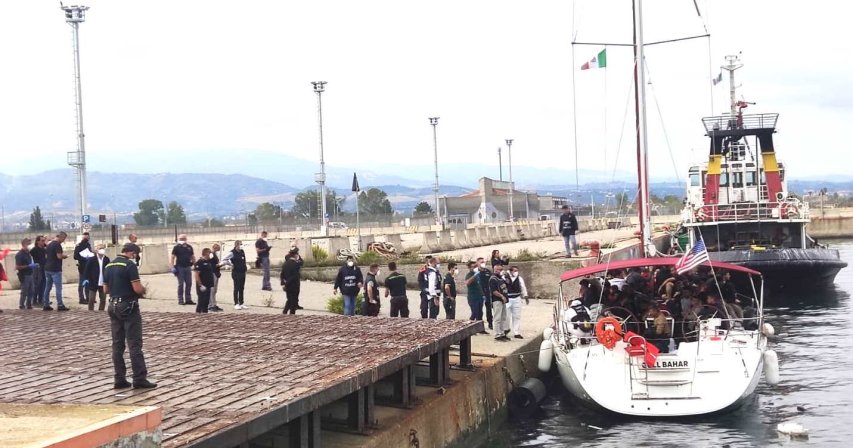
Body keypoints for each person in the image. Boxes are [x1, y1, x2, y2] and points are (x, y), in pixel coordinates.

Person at [103, 243, 156, 389]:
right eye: (135, 255)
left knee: (117, 344)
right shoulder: (129, 266)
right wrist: (143, 290)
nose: (135, 257)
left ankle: (119, 378)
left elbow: (105, 289)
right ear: (131, 253)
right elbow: (137, 288)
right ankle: (139, 378)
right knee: (134, 344)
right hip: (128, 306)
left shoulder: (108, 266)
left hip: (113, 306)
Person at [42, 231, 70, 311]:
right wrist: (65, 256)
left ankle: (46, 304)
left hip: (47, 268)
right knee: (58, 288)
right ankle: (60, 304)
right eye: (63, 238)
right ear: (60, 237)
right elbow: (59, 256)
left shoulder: (50, 244)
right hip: (55, 269)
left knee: (47, 287)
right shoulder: (57, 245)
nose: (63, 240)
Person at [170, 234, 196, 306]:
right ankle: (180, 300)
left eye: (183, 239)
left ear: (186, 239)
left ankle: (188, 299)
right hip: (179, 267)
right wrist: (172, 267)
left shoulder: (189, 247)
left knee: (189, 283)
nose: (182, 240)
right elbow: (172, 257)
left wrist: (195, 265)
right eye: (181, 239)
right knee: (181, 284)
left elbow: (192, 257)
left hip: (187, 267)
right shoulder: (176, 247)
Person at [83, 244, 110, 311]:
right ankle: (91, 312)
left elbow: (109, 270)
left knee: (103, 299)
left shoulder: (106, 259)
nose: (101, 250)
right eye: (100, 248)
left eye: (102, 248)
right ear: (96, 250)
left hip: (103, 283)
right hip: (93, 282)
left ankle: (101, 312)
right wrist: (86, 279)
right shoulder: (92, 259)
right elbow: (87, 270)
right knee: (91, 299)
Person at [505, 266, 529, 339]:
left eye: (517, 271)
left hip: (517, 298)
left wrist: (526, 297)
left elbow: (523, 287)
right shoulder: (504, 277)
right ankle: (506, 329)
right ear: (511, 271)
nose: (516, 272)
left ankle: (516, 332)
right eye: (514, 270)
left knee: (517, 316)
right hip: (508, 299)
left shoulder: (519, 278)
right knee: (506, 316)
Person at [489, 265, 511, 341]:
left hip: (503, 300)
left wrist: (507, 277)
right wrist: (501, 296)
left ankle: (502, 333)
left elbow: (508, 284)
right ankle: (497, 334)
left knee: (503, 317)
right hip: (497, 300)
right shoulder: (493, 279)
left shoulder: (500, 278)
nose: (502, 271)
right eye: (500, 269)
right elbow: (494, 291)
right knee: (497, 318)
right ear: (496, 270)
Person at [281, 247, 305, 314]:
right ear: (296, 255)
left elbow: (282, 275)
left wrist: (283, 283)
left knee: (289, 299)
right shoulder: (296, 264)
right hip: (294, 285)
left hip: (287, 285)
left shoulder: (285, 264)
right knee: (293, 300)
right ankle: (291, 314)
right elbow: (294, 276)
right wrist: (287, 283)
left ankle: (285, 312)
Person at [225, 240, 248, 310]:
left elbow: (244, 260)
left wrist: (245, 266)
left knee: (242, 288)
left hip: (242, 272)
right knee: (236, 288)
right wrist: (231, 264)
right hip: (236, 272)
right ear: (236, 245)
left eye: (242, 244)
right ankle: (236, 303)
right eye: (240, 244)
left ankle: (241, 303)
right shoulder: (232, 252)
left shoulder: (242, 252)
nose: (241, 246)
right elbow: (225, 259)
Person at [14, 238, 37, 309]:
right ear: (24, 244)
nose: (30, 246)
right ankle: (21, 304)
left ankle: (29, 304)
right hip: (24, 275)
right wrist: (28, 266)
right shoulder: (19, 255)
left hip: (30, 273)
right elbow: (17, 267)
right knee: (24, 291)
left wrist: (33, 265)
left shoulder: (28, 253)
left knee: (31, 290)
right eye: (28, 244)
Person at [465, 261, 487, 332]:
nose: (475, 268)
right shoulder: (470, 274)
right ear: (469, 268)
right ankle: (468, 327)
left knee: (480, 313)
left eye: (476, 266)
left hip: (479, 296)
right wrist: (474, 276)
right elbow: (467, 283)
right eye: (473, 267)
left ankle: (480, 329)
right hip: (473, 297)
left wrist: (483, 294)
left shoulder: (477, 274)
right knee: (474, 312)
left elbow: (479, 285)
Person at [193, 248, 215, 314]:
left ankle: (205, 315)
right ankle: (198, 314)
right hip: (202, 285)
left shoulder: (208, 262)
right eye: (209, 252)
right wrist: (200, 285)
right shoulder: (200, 262)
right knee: (201, 301)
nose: (211, 254)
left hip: (208, 285)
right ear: (205, 253)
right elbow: (196, 275)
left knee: (206, 302)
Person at [73, 231, 93, 304]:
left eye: (88, 236)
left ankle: (88, 298)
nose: (87, 238)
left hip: (89, 267)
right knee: (82, 283)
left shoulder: (88, 245)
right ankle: (81, 298)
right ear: (83, 237)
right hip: (82, 266)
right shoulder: (79, 246)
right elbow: (75, 256)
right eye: (85, 236)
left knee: (88, 283)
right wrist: (84, 257)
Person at [476, 257, 494, 329]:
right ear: (477, 263)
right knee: (479, 309)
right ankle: (479, 324)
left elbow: (492, 281)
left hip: (487, 292)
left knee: (489, 308)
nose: (483, 263)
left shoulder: (488, 271)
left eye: (484, 262)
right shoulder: (475, 272)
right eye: (481, 262)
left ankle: (490, 323)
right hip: (479, 292)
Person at [30, 235, 47, 306]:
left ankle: (41, 299)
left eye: (44, 240)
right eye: (42, 241)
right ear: (38, 241)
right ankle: (34, 300)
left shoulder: (44, 249)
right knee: (37, 285)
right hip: (37, 269)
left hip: (44, 268)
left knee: (43, 285)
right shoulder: (34, 250)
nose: (43, 242)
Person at [207, 244, 224, 312]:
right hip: (212, 273)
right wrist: (219, 264)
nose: (219, 250)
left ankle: (214, 304)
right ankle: (210, 305)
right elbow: (211, 264)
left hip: (216, 273)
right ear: (215, 248)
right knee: (212, 290)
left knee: (214, 290)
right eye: (218, 248)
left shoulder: (215, 254)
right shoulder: (211, 254)